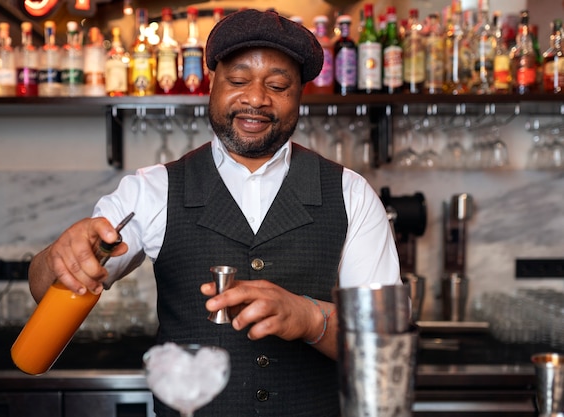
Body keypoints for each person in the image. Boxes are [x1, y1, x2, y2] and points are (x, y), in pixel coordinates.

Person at [28, 8, 400, 417]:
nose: (256, 98)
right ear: (212, 83)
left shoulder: (352, 195)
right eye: (238, 80)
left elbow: (385, 350)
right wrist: (58, 258)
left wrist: (312, 319)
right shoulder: (151, 190)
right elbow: (49, 289)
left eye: (277, 85)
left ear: (300, 96)